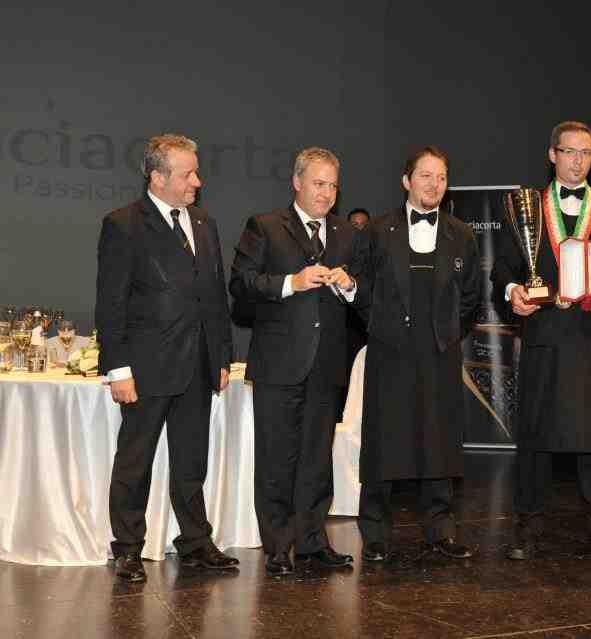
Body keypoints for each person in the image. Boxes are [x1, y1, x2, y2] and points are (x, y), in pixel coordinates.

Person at [96, 133, 237, 583]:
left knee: (192, 461)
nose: (198, 181)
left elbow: (214, 297)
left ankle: (195, 541)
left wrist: (221, 356)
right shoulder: (124, 224)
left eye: (196, 172)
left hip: (198, 364)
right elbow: (111, 304)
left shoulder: (204, 223)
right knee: (135, 461)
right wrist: (118, 368)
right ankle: (127, 548)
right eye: (188, 174)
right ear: (157, 177)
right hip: (146, 367)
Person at [491, 121, 591, 561]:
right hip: (544, 333)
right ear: (552, 154)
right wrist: (512, 292)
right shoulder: (526, 205)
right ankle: (528, 527)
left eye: (586, 153)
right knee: (535, 438)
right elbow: (504, 268)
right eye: (569, 151)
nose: (578, 161)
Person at [229, 147, 367, 578]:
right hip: (278, 363)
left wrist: (350, 285)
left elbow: (366, 294)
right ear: (297, 183)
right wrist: (292, 282)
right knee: (276, 459)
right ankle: (277, 545)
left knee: (316, 460)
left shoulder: (347, 234)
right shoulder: (265, 226)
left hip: (326, 364)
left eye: (333, 186)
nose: (326, 193)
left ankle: (312, 542)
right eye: (318, 184)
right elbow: (241, 285)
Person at [356, 145, 480, 562]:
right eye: (426, 176)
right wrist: (383, 330)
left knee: (439, 442)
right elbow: (362, 290)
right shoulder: (377, 230)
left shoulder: (461, 234)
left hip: (439, 353)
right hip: (389, 354)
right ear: (406, 180)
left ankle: (440, 531)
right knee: (383, 441)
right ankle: (376, 533)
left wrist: (447, 334)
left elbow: (471, 297)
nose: (434, 185)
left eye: (442, 178)